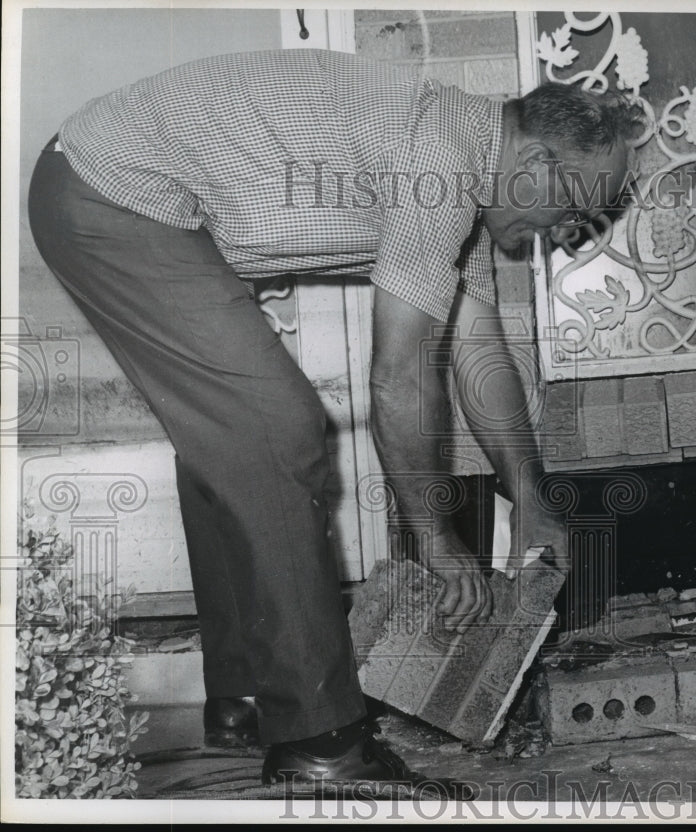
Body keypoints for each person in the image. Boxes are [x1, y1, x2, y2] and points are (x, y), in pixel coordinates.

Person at [28, 48, 640, 789]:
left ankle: (249, 693)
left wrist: (535, 498)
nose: (570, 228)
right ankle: (322, 743)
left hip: (111, 189)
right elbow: (398, 380)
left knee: (235, 440)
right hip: (112, 195)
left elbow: (481, 354)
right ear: (537, 161)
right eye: (576, 206)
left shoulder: (466, 174)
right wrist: (438, 542)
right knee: (276, 428)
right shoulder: (441, 167)